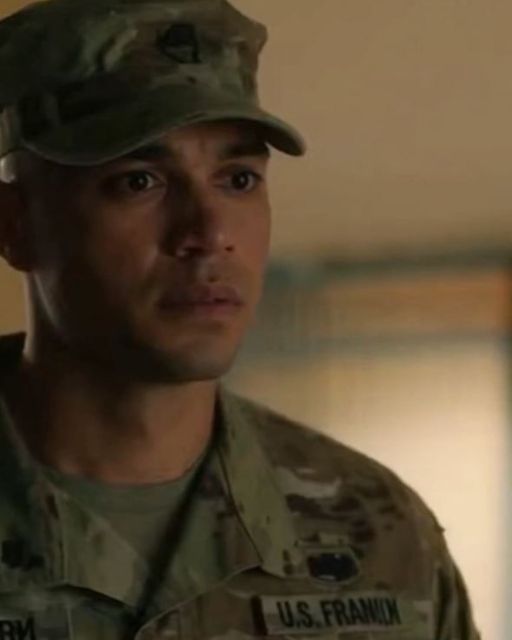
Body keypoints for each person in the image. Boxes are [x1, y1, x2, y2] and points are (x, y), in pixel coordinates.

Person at [0, 0, 480, 638]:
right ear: (16, 224)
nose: (209, 233)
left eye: (239, 179)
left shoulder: (379, 535)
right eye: (139, 181)